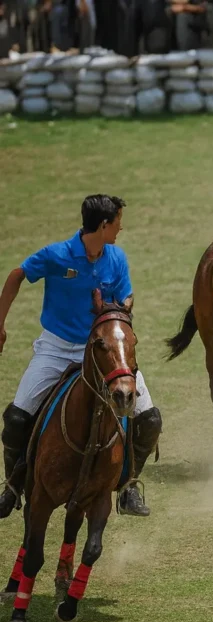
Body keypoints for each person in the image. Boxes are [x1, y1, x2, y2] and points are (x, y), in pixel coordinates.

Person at [0, 196, 162, 519]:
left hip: (101, 351)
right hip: (57, 348)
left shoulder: (116, 258)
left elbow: (125, 298)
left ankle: (128, 484)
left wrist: (120, 306)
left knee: (149, 420)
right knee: (16, 419)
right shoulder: (57, 255)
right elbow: (18, 275)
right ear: (103, 226)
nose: (121, 228)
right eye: (117, 222)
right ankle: (13, 486)